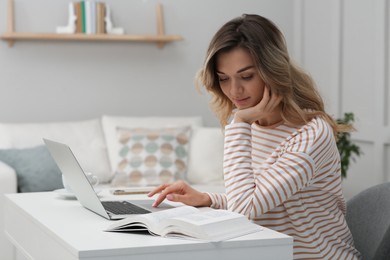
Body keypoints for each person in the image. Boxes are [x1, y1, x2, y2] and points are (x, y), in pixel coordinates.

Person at [148, 14, 361, 259]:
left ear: (273, 71)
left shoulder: (310, 134)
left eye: (246, 76)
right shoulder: (253, 125)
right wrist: (207, 199)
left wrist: (239, 122)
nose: (234, 91)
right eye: (224, 79)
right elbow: (258, 199)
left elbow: (245, 208)